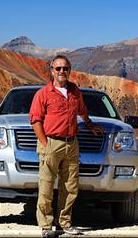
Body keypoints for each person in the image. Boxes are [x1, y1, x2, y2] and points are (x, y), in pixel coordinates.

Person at [29, 55, 104, 237]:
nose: (62, 71)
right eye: (58, 68)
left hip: (72, 143)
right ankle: (46, 226)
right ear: (52, 71)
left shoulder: (74, 91)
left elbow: (82, 111)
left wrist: (90, 124)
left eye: (65, 68)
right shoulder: (43, 94)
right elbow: (35, 120)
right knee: (46, 186)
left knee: (70, 187)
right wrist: (45, 144)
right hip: (51, 143)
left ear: (69, 70)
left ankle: (65, 223)